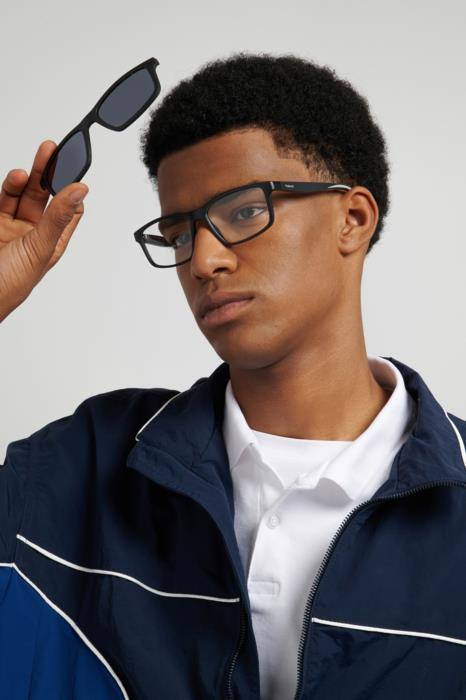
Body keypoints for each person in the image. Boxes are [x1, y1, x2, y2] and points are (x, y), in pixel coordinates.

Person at [0, 52, 465, 700]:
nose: (203, 261)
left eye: (244, 212)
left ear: (353, 219)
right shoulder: (84, 465)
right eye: (179, 234)